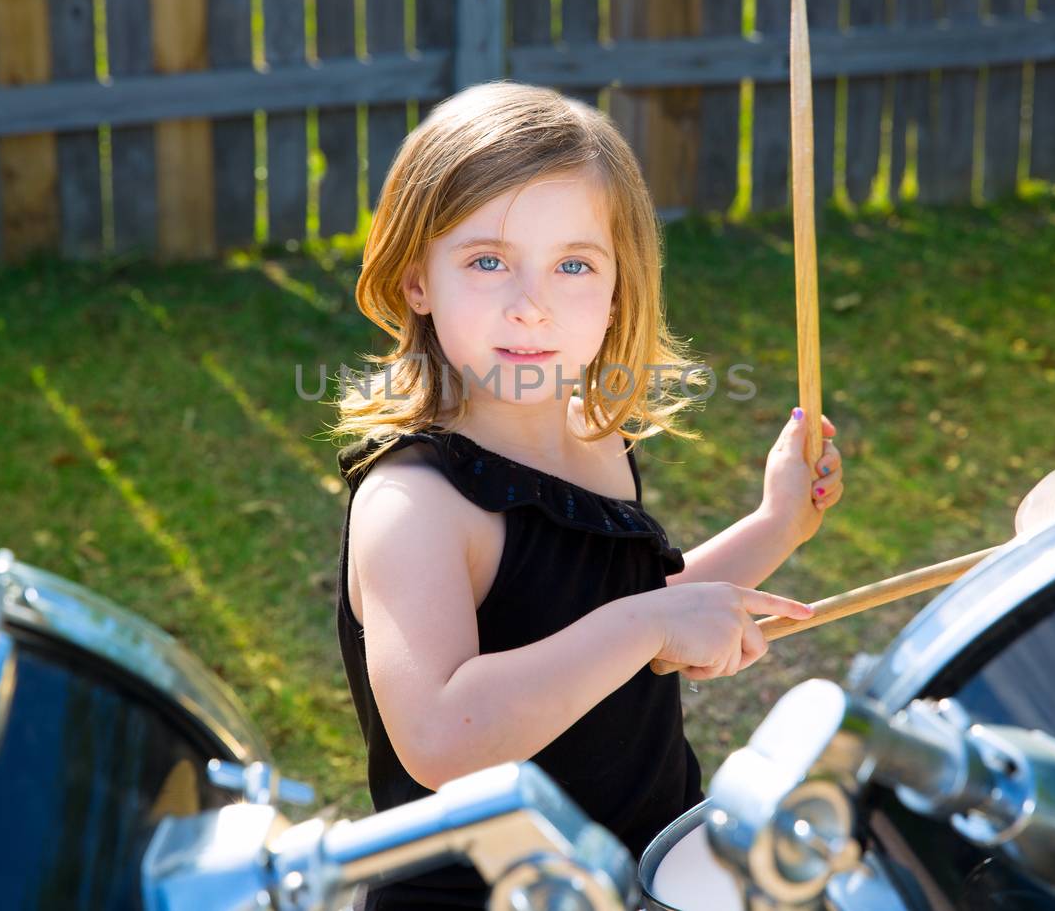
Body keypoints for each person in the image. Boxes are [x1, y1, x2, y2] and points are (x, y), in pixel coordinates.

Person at [326, 81, 844, 909]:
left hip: (647, 860)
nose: (531, 306)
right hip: (494, 892)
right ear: (417, 278)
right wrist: (646, 623)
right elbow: (440, 735)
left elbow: (623, 619)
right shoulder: (416, 503)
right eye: (488, 260)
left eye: (573, 264)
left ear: (616, 291)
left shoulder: (595, 436)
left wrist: (779, 522)